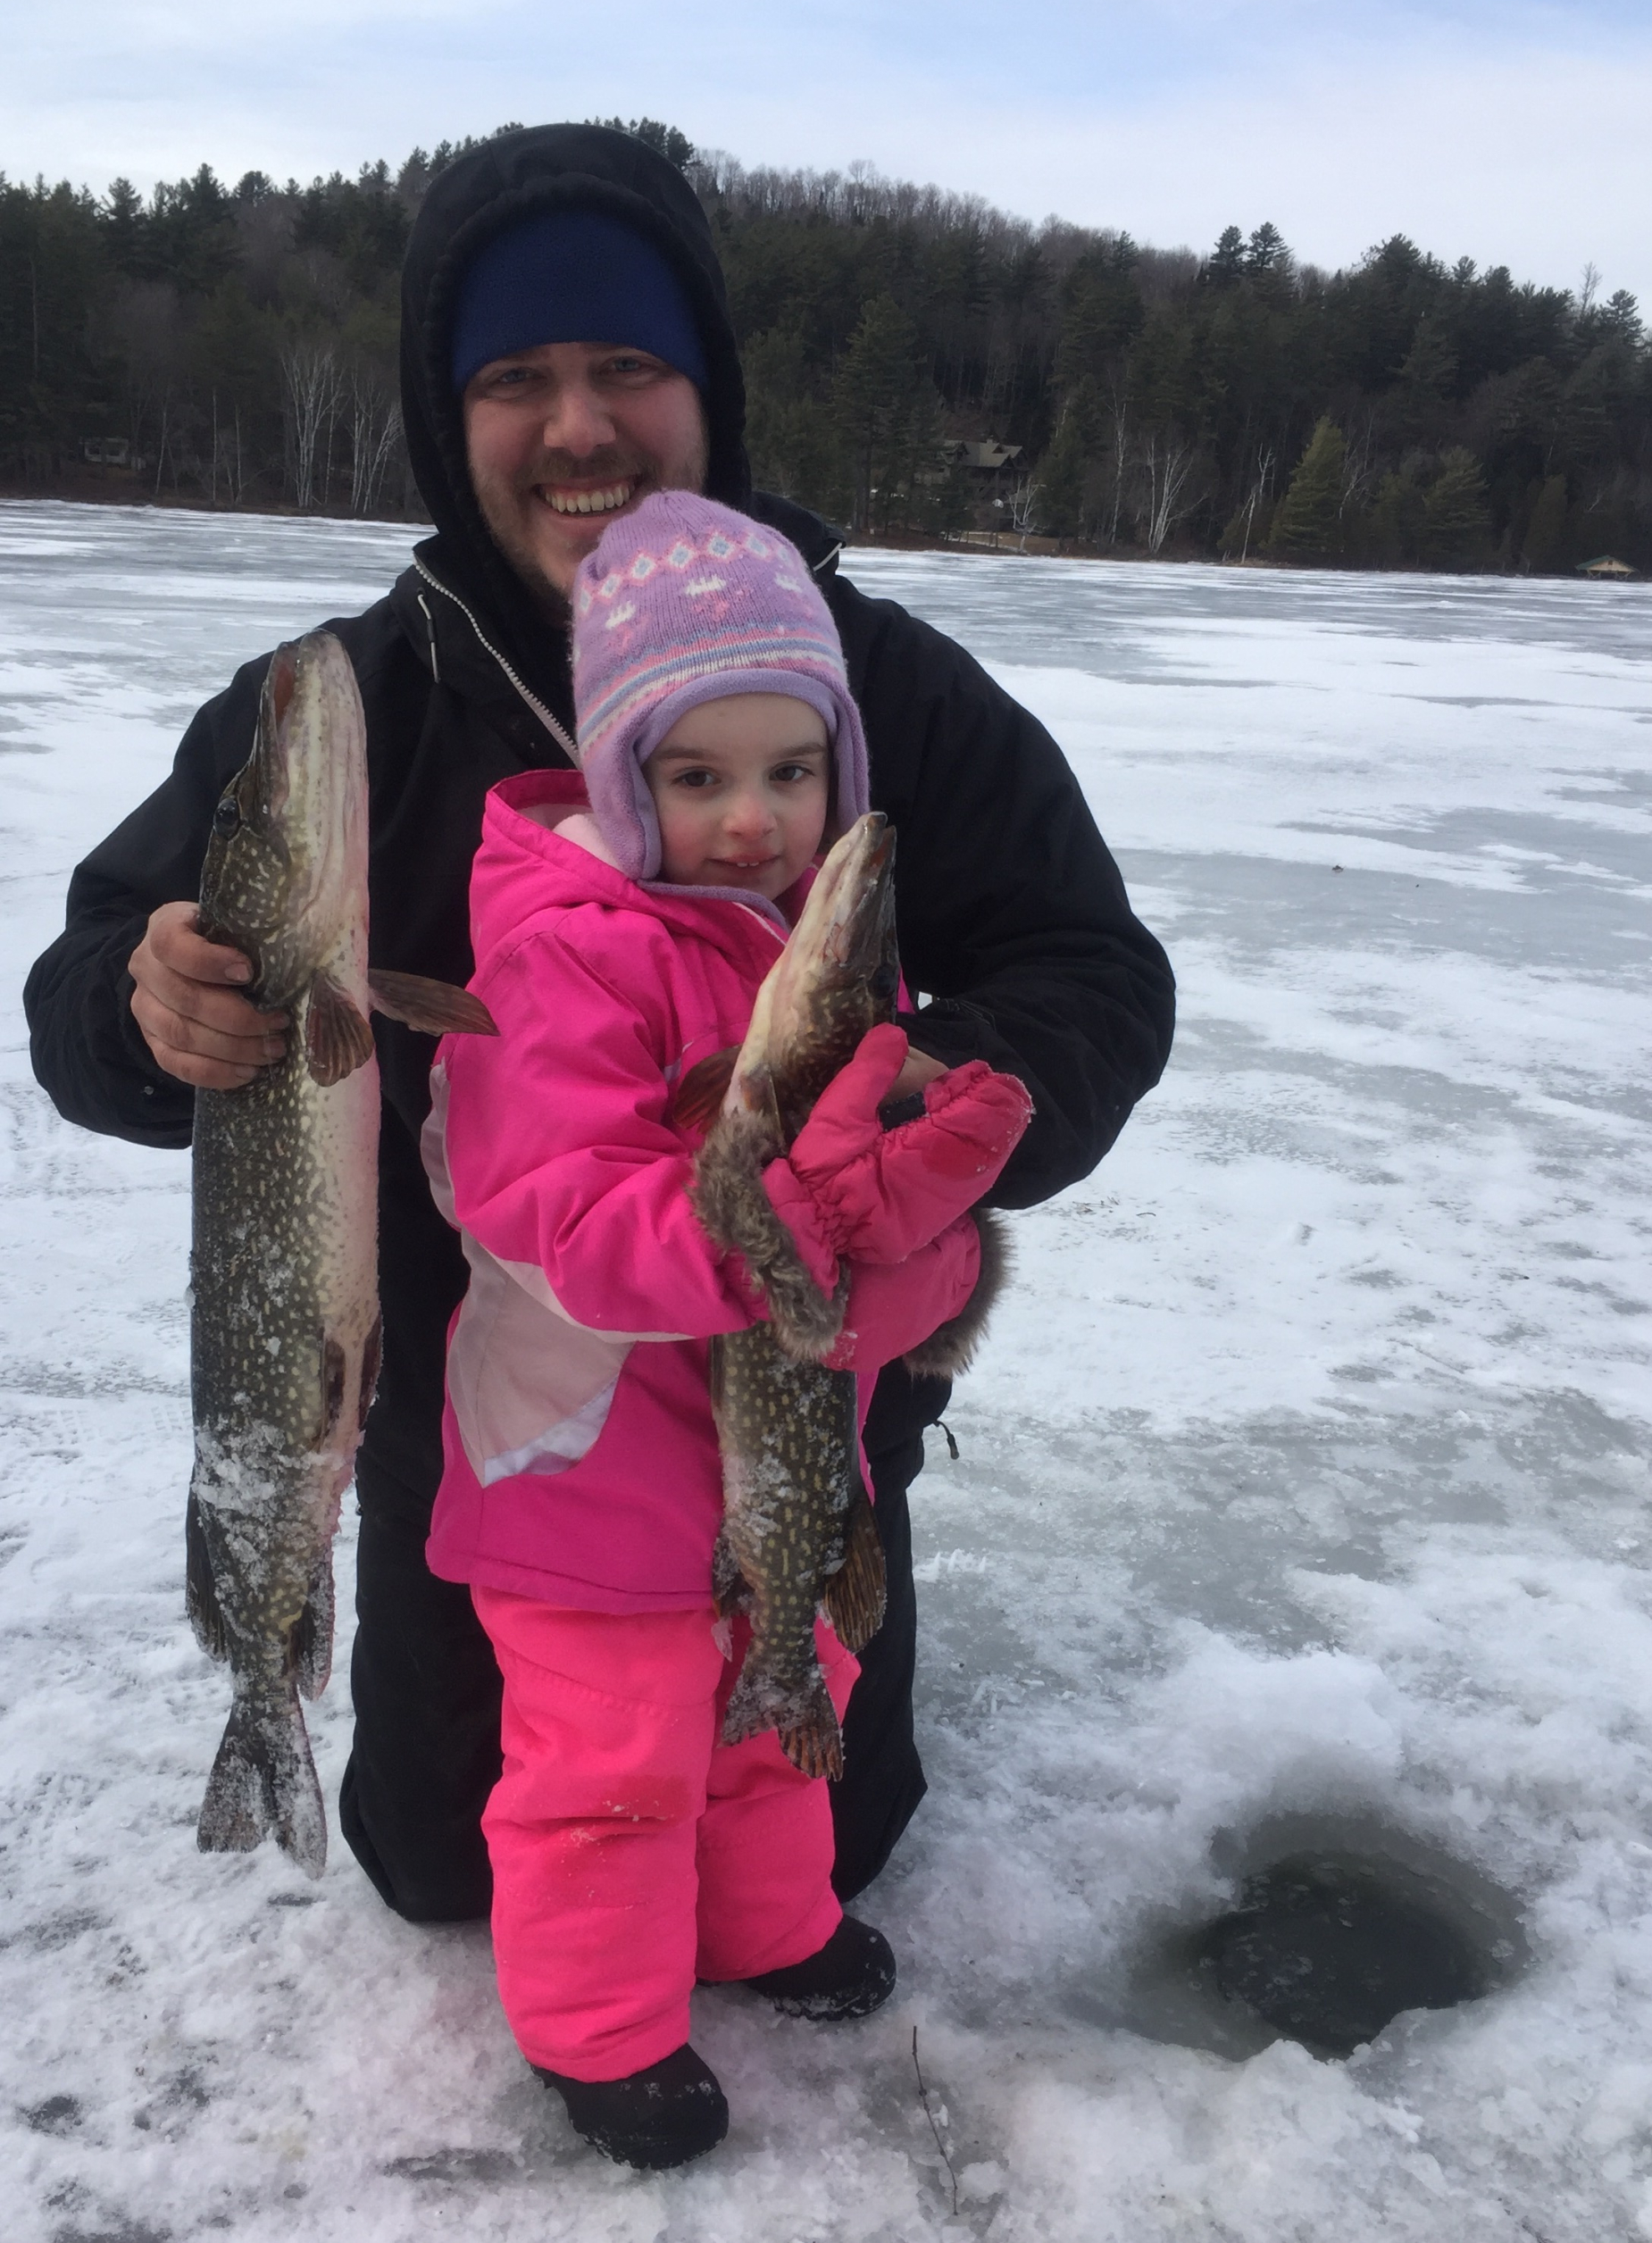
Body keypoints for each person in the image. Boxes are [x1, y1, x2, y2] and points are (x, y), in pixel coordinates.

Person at [23, 122, 1174, 1928]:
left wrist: (915, 1106)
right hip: (492, 1458)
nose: (579, 427)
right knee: (446, 1866)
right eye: (517, 380)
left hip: (801, 1409)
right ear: (450, 413)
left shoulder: (867, 680)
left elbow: (1092, 970)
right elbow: (87, 981)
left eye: (627, 364)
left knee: (823, 1858)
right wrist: (137, 1004)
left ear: (708, 387)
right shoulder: (352, 701)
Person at [432, 488, 1031, 2166]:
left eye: (792, 770)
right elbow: (565, 1222)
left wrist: (915, 1257)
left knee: (783, 1715)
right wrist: (784, 1234)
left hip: (782, 1475)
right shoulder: (562, 961)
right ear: (627, 781)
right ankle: (603, 2031)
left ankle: (766, 1929)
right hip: (588, 1480)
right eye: (697, 778)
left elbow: (874, 1275)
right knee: (610, 1768)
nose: (754, 818)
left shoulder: (819, 974)